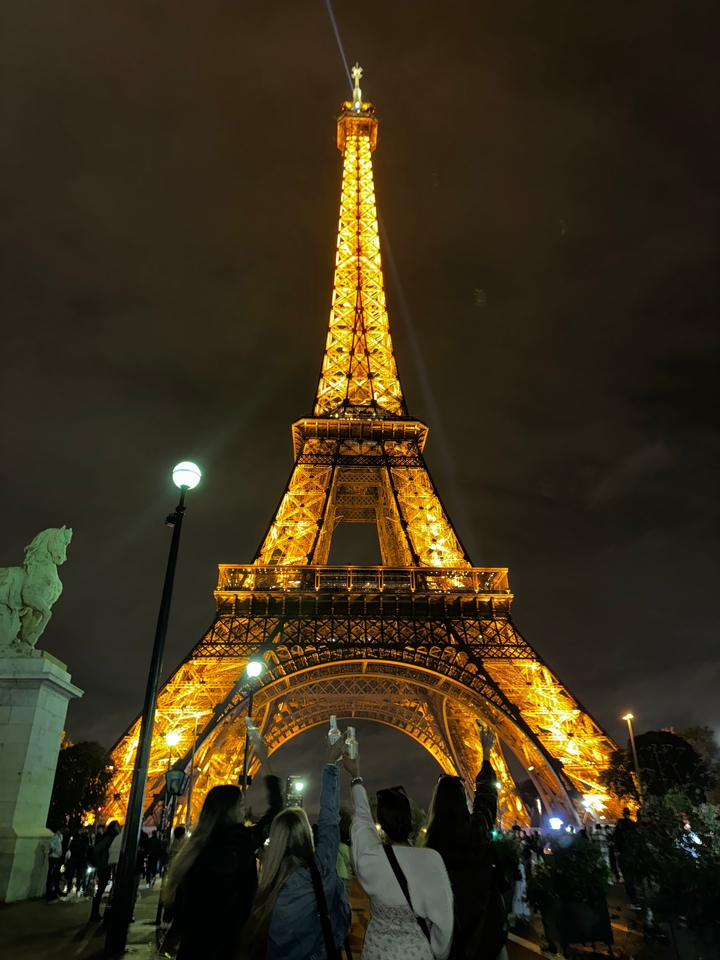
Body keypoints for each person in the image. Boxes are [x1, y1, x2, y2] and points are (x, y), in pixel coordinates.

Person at [162, 736, 282, 960]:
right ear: (228, 810)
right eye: (241, 806)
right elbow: (276, 809)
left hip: (193, 949)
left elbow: (180, 915)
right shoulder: (239, 842)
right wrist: (264, 760)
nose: (245, 811)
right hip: (227, 949)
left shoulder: (193, 850)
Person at [241, 732, 351, 960]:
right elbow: (330, 820)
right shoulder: (323, 871)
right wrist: (331, 764)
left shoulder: (262, 898)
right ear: (307, 835)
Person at [346, 749, 453, 960]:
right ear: (410, 820)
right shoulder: (431, 861)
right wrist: (438, 952)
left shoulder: (371, 860)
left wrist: (355, 776)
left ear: (383, 827)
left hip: (376, 953)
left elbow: (362, 819)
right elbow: (445, 925)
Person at [423, 723, 508, 960]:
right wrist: (486, 753)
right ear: (462, 801)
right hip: (487, 925)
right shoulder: (478, 828)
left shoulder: (432, 846)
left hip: (452, 932)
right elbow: (487, 795)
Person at [89, 820, 121, 922]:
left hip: (104, 866)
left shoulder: (109, 837)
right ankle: (94, 914)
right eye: (118, 826)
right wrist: (101, 863)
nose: (119, 827)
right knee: (100, 891)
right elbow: (97, 849)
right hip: (104, 867)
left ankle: (95, 914)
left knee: (100, 891)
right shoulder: (109, 838)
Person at [614, 808, 641, 910]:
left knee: (628, 878)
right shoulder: (633, 825)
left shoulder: (620, 826)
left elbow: (616, 838)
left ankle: (635, 901)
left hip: (625, 855)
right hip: (634, 855)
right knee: (635, 878)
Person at [66, 827, 91, 896]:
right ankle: (70, 888)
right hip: (76, 858)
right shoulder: (76, 837)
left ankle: (77, 889)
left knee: (78, 875)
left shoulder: (83, 837)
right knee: (72, 874)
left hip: (79, 859)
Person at [45, 828, 64, 901]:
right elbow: (51, 845)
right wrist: (54, 851)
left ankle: (55, 890)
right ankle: (49, 891)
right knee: (52, 874)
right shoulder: (56, 836)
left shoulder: (60, 836)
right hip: (54, 857)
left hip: (57, 857)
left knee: (56, 874)